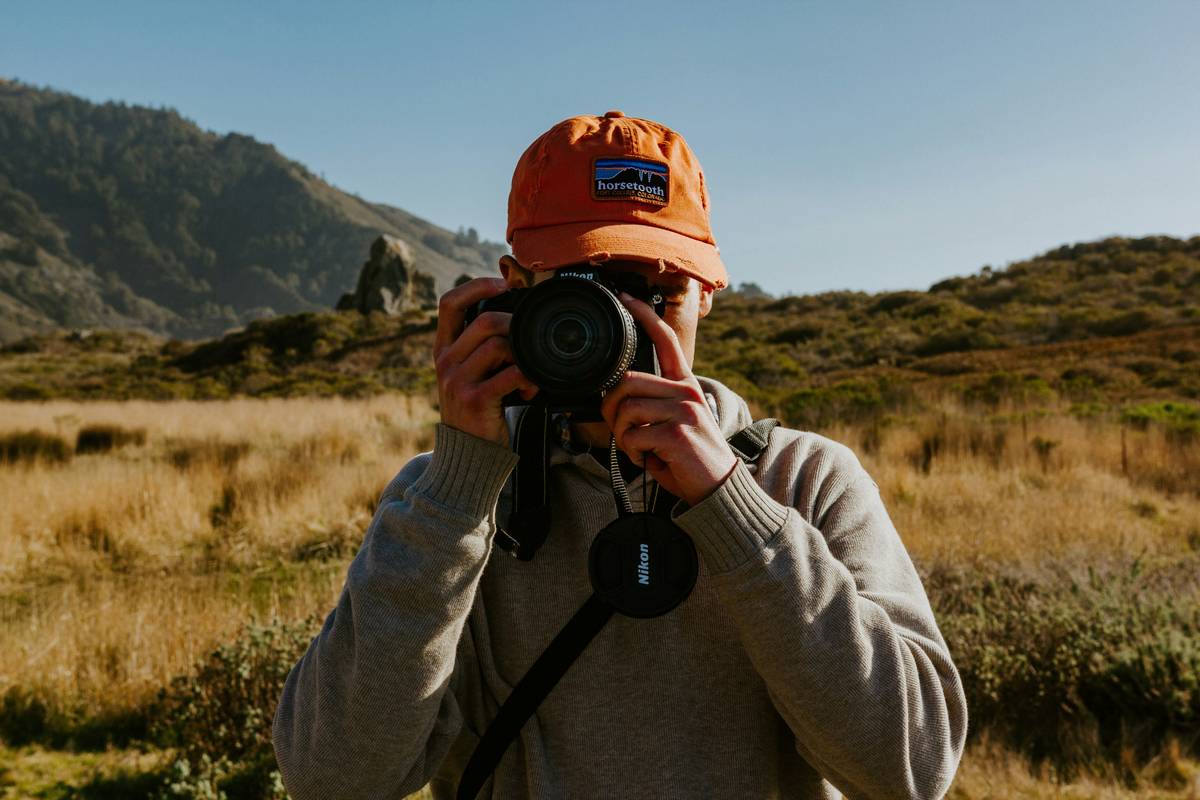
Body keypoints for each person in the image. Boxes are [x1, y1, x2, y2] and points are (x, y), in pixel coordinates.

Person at [273, 111, 968, 799]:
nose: (619, 327)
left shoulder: (806, 480)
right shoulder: (450, 503)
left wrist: (731, 504)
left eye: (655, 296)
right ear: (515, 291)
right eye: (584, 290)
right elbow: (334, 778)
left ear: (706, 297)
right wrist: (457, 492)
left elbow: (911, 771)